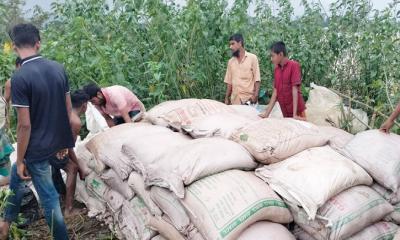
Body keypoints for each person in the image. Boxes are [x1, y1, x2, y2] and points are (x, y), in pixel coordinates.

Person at [0, 23, 74, 240]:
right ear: (38, 44)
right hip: (56, 142)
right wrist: (64, 142)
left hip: (36, 147)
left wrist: (22, 157)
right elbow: (67, 110)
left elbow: (24, 125)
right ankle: (6, 222)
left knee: (49, 198)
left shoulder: (19, 78)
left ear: (14, 47)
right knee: (16, 171)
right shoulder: (58, 68)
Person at [51, 89, 90, 217]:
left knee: (58, 167)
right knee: (72, 169)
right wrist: (79, 167)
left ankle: (62, 197)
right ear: (84, 105)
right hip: (53, 148)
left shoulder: (63, 112)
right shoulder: (76, 122)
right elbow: (69, 147)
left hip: (44, 143)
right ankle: (69, 209)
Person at [260, 41, 306, 120]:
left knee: (302, 129)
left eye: (273, 56)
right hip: (285, 111)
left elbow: (295, 89)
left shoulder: (294, 66)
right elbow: (275, 92)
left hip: (297, 110)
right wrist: (266, 114)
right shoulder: (276, 69)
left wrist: (295, 115)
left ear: (280, 54)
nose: (271, 59)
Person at [224, 33, 261, 105]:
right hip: (235, 101)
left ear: (240, 43)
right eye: (230, 45)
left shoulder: (252, 58)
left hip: (249, 100)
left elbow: (257, 79)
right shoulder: (231, 62)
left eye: (232, 44)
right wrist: (226, 98)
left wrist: (255, 95)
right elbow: (229, 82)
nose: (230, 47)